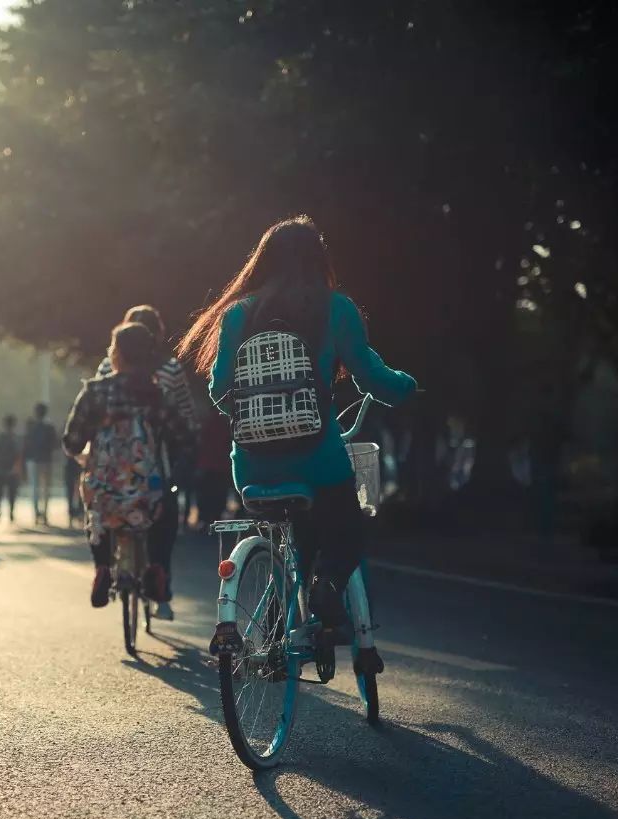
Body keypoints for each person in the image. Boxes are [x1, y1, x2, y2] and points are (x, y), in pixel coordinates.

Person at [176, 215, 417, 637]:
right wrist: (406, 387)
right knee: (347, 529)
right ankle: (326, 590)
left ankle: (276, 625)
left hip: (252, 465)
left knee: (296, 532)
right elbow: (371, 376)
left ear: (262, 261)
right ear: (318, 258)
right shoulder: (335, 307)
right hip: (318, 458)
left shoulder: (238, 314)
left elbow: (219, 389)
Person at [65, 323, 194, 616]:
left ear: (116, 354)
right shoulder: (157, 395)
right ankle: (158, 568)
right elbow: (184, 438)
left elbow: (71, 442)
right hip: (146, 494)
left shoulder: (95, 392)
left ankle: (101, 568)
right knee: (167, 511)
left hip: (105, 493)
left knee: (92, 505)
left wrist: (86, 453)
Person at [95, 305, 198, 608]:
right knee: (165, 515)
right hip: (156, 459)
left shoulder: (105, 368)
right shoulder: (169, 369)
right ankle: (160, 577)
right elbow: (186, 416)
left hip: (112, 462)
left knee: (98, 506)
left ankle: (102, 568)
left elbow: (91, 414)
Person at [194, 410, 234, 530]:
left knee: (205, 494)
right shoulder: (225, 423)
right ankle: (215, 518)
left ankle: (205, 519)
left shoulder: (206, 424)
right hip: (220, 465)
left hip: (207, 465)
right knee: (219, 494)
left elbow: (200, 442)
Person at [23, 402, 59, 525]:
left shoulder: (30, 425)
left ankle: (36, 513)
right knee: (46, 489)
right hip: (46, 460)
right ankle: (45, 513)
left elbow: (25, 443)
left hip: (33, 460)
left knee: (34, 488)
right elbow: (55, 443)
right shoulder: (49, 426)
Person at [0, 415, 21, 523]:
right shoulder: (15, 437)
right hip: (11, 470)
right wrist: (16, 468)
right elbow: (18, 454)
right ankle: (11, 513)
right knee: (11, 493)